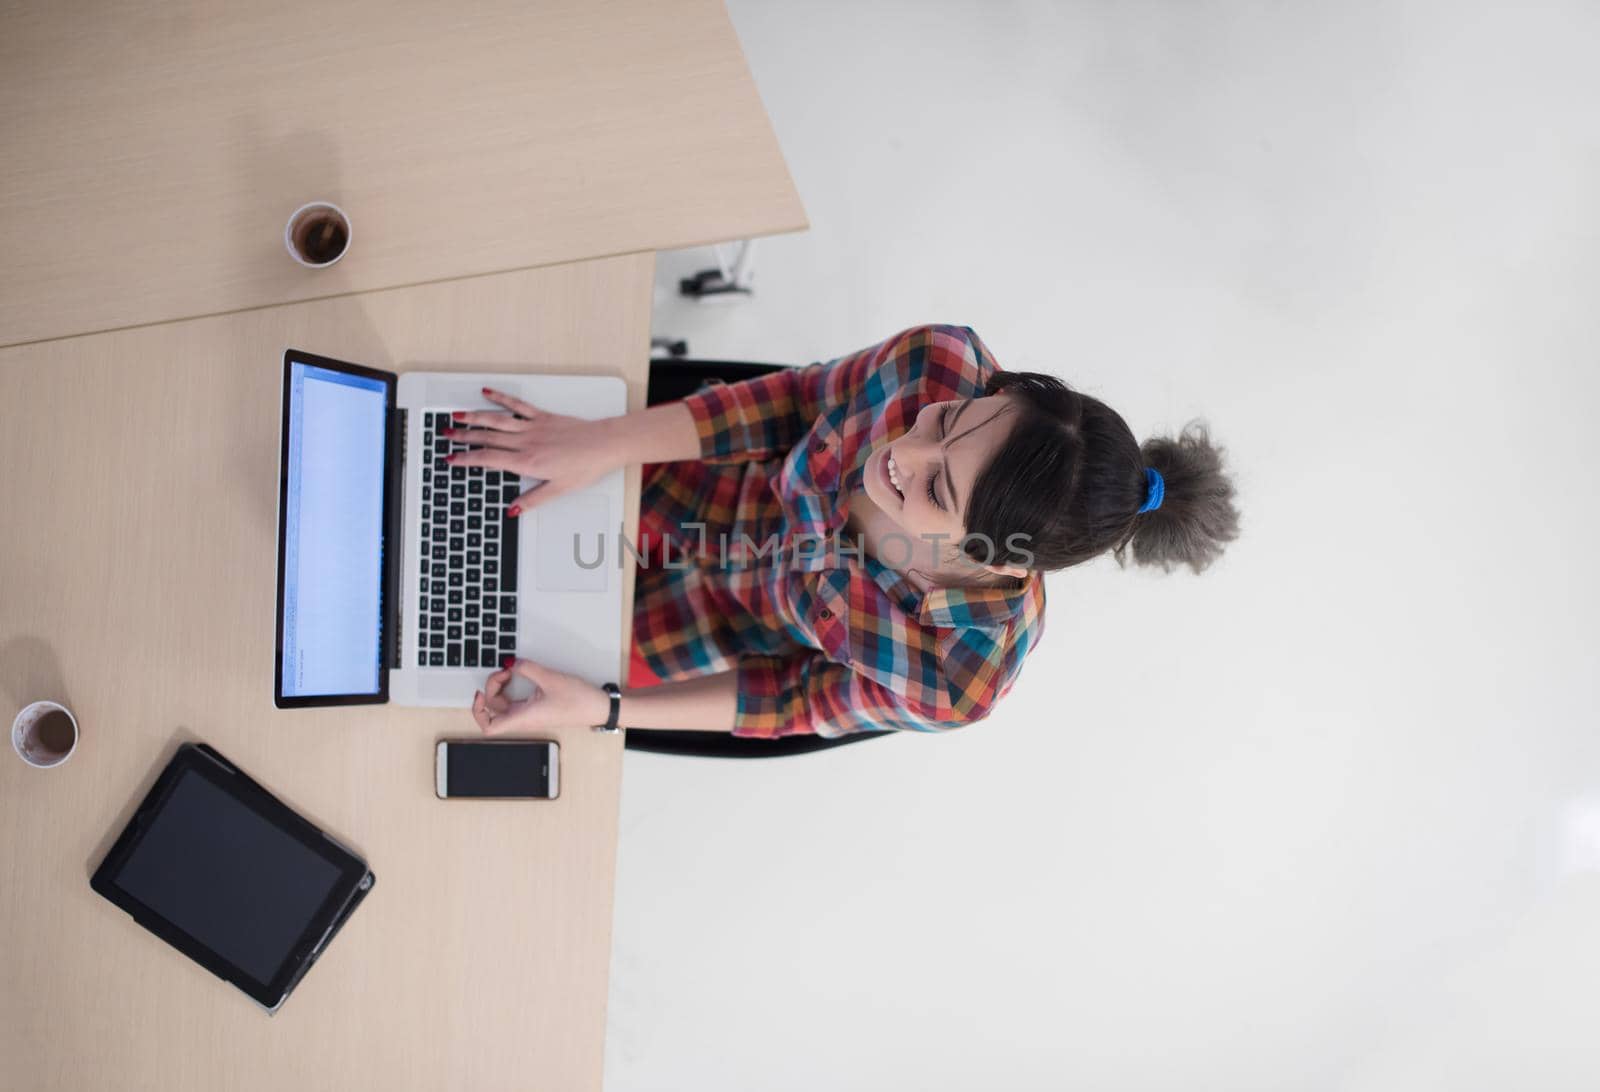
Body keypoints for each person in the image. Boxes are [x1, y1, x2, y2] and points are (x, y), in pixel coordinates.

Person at [446, 325, 1239, 739]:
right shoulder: (937, 362)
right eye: (951, 420)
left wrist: (603, 708)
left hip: (703, 627)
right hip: (693, 472)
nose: (906, 452)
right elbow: (791, 402)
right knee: (457, 485)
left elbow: (791, 699)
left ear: (990, 555)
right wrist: (604, 443)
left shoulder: (962, 674)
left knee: (461, 651)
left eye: (935, 486)